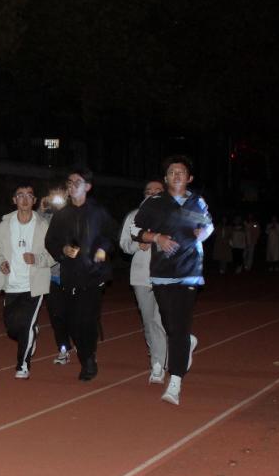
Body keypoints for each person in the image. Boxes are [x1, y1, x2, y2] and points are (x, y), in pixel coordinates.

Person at [133, 155, 213, 405]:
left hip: (189, 271)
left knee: (179, 326)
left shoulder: (198, 201)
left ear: (189, 178)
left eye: (181, 172)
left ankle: (175, 381)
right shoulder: (154, 202)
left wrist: (203, 232)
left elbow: (209, 226)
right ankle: (186, 341)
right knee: (170, 325)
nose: (176, 175)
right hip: (162, 273)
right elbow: (135, 231)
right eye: (171, 172)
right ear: (165, 178)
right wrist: (157, 238)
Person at [44, 168, 119, 381]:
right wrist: (62, 250)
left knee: (85, 319)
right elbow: (50, 241)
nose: (72, 186)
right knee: (71, 321)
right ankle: (85, 352)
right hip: (69, 275)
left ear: (87, 187)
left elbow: (112, 234)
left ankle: (88, 360)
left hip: (93, 275)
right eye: (69, 182)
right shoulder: (61, 215)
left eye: (77, 182)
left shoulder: (98, 212)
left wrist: (103, 249)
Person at [0, 186, 54, 379]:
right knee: (12, 328)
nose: (24, 199)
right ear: (14, 200)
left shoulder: (43, 225)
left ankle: (23, 366)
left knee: (25, 325)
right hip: (11, 285)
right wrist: (1, 262)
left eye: (29, 196)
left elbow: (53, 252)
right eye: (20, 195)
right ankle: (32, 332)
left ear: (34, 201)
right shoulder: (5, 225)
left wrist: (37, 259)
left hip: (34, 285)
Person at [119, 180, 168, 383]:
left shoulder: (172, 216)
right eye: (149, 191)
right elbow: (124, 244)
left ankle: (158, 364)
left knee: (160, 320)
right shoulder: (133, 216)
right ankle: (157, 351)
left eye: (158, 191)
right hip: (141, 277)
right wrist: (137, 245)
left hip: (166, 277)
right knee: (149, 321)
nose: (153, 194)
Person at [39, 187, 73, 364]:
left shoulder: (76, 215)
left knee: (75, 315)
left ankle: (84, 347)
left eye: (61, 195)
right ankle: (63, 349)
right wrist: (41, 209)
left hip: (73, 275)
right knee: (56, 315)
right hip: (52, 275)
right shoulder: (45, 217)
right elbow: (35, 232)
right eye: (54, 195)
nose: (57, 199)